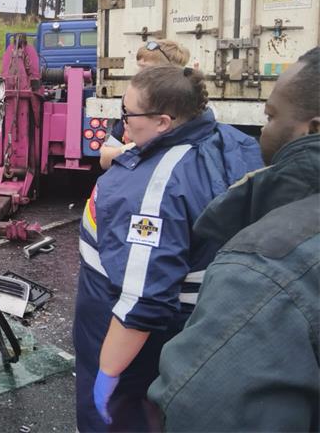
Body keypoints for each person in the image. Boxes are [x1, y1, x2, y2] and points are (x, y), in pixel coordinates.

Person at [74, 65, 263, 432]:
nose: (121, 124)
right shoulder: (232, 142)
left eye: (128, 114)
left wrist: (109, 373)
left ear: (163, 122)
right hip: (192, 334)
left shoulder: (154, 187)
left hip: (131, 351)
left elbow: (145, 300)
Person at [148, 47, 320, 431]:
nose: (263, 130)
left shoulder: (263, 268)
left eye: (271, 116)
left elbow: (203, 410)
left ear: (314, 129)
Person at [99, 40, 191, 170]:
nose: (138, 75)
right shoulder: (134, 111)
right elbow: (104, 159)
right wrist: (131, 149)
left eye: (145, 69)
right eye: (139, 67)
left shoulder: (187, 117)